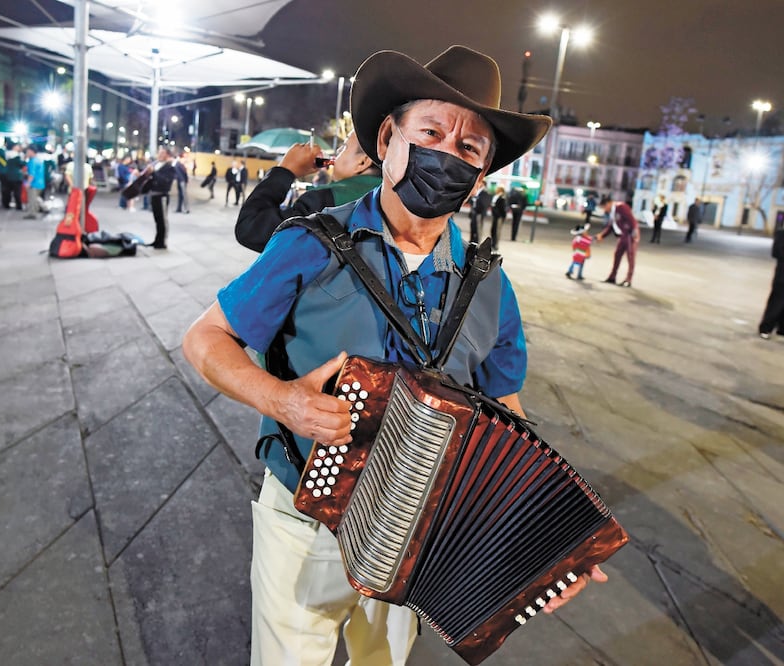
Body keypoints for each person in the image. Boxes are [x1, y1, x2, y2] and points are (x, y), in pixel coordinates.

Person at [182, 45, 606, 666]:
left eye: (469, 149)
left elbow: (506, 412)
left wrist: (545, 543)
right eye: (432, 131)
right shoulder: (310, 243)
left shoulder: (491, 286)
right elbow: (204, 338)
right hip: (307, 523)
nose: (447, 155)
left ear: (482, 176)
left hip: (420, 533)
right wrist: (283, 400)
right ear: (387, 137)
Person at [235, 131, 382, 252]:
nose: (337, 151)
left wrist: (285, 170)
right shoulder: (389, 197)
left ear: (362, 162)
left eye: (344, 147)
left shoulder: (324, 202)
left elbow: (250, 228)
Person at [595, 195, 640, 287]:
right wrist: (602, 235)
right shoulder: (612, 212)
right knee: (617, 255)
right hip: (622, 236)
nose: (604, 210)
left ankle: (628, 279)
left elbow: (632, 220)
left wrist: (634, 232)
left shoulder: (621, 207)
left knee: (630, 257)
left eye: (604, 207)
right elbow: (611, 226)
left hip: (629, 235)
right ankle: (612, 276)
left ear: (608, 203)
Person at [141, 146, 176, 249]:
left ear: (167, 155)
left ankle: (162, 241)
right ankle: (157, 240)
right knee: (157, 219)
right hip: (154, 195)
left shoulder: (170, 167)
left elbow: (165, 181)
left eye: (162, 153)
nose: (160, 155)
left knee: (162, 219)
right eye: (159, 153)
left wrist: (154, 173)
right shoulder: (156, 165)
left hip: (162, 196)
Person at [758, 217, 784, 339]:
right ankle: (766, 327)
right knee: (777, 301)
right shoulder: (781, 234)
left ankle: (782, 329)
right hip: (782, 275)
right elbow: (776, 252)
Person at [24, 144, 46, 219]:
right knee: (36, 198)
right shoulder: (38, 160)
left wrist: (28, 183)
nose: (26, 153)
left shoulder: (32, 161)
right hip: (40, 183)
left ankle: (32, 214)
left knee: (32, 199)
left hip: (34, 183)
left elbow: (31, 174)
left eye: (27, 151)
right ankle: (45, 208)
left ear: (31, 151)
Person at [490, 185, 507, 250]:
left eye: (498, 189)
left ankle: (495, 245)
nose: (496, 190)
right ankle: (493, 243)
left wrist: (502, 216)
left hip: (499, 217)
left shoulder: (502, 198)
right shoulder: (496, 196)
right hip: (495, 216)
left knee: (497, 231)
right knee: (493, 230)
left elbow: (502, 209)